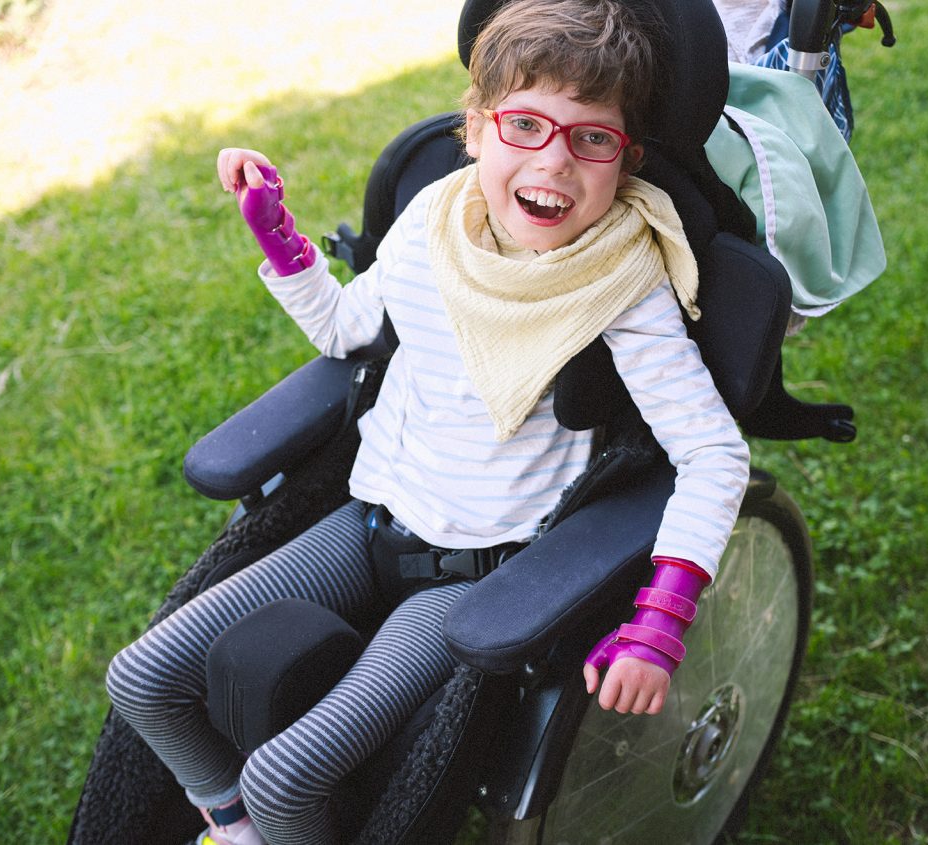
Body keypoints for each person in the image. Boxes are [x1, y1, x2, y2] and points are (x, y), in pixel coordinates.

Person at [106, 1, 750, 842]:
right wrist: (278, 237)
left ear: (625, 160)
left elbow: (711, 453)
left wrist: (659, 621)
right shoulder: (434, 221)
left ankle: (262, 820)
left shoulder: (621, 282)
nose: (554, 164)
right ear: (478, 128)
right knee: (144, 676)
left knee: (286, 773)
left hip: (470, 573)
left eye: (590, 139)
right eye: (526, 125)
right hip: (367, 519)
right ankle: (232, 825)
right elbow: (349, 330)